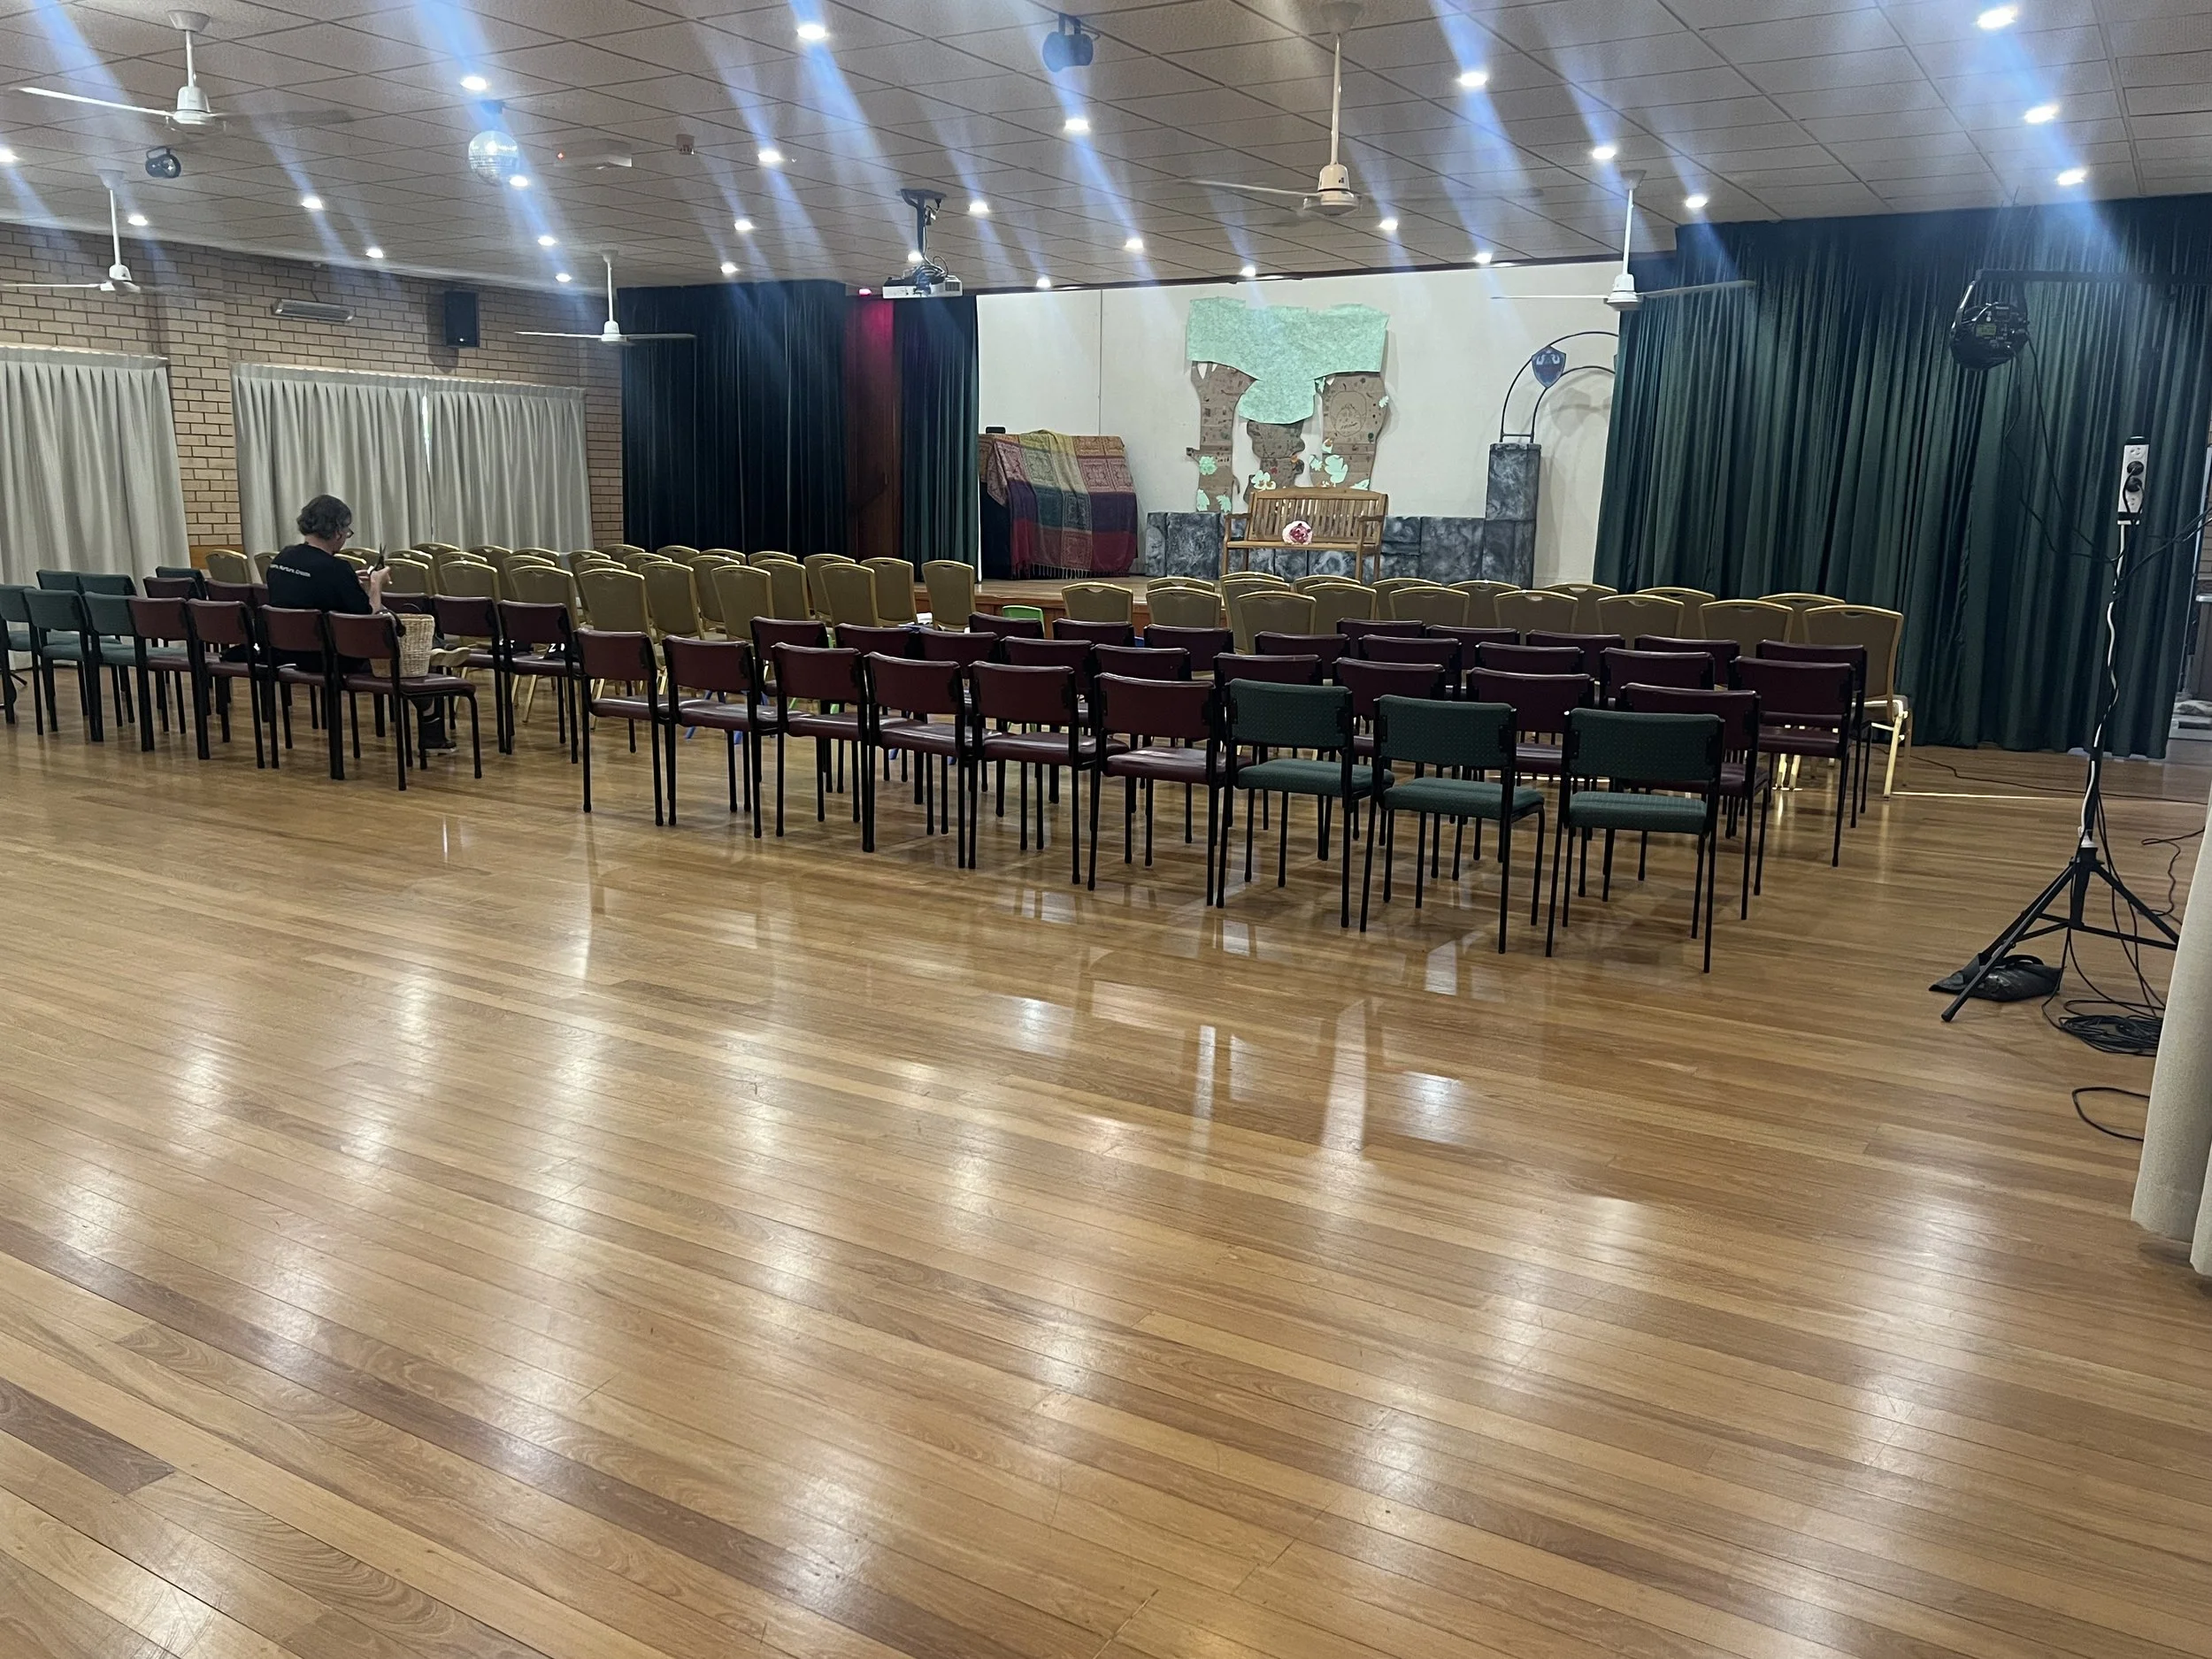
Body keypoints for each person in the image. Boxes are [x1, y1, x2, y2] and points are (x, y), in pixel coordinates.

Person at [266, 495, 452, 752]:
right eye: (346, 531)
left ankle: (438, 651)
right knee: (411, 660)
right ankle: (433, 733)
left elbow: (308, 591)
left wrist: (350, 582)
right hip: (338, 658)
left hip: (293, 654)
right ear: (337, 531)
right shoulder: (334, 568)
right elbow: (367, 615)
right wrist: (375, 585)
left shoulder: (282, 560)